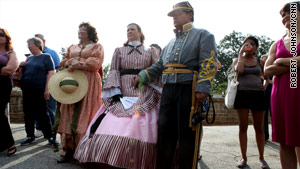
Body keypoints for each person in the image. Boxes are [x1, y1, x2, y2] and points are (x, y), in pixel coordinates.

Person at [134, 2, 217, 168]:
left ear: (190, 15)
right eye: (173, 16)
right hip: (168, 92)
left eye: (178, 14)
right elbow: (159, 67)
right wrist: (143, 76)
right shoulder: (169, 43)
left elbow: (208, 63)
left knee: (187, 136)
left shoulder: (203, 35)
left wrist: (202, 88)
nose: (174, 19)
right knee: (164, 134)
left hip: (188, 90)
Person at [74, 23, 161, 169]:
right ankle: (103, 156)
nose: (129, 31)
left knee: (143, 121)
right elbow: (114, 71)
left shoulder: (151, 51)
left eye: (132, 29)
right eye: (127, 30)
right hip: (122, 90)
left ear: (140, 32)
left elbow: (155, 70)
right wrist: (115, 92)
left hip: (143, 91)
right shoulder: (119, 50)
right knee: (112, 120)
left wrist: (153, 88)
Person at [57, 22, 103, 163]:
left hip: (89, 82)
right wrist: (71, 62)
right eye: (79, 30)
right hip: (73, 81)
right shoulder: (73, 47)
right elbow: (63, 61)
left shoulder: (97, 47)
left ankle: (84, 151)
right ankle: (69, 150)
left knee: (86, 113)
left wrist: (81, 63)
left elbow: (96, 63)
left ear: (89, 32)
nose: (80, 32)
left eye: (83, 30)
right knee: (69, 113)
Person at [264, 2, 300, 169]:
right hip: (280, 95)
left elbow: (275, 66)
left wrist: (283, 60)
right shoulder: (276, 44)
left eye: (289, 12)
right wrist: (295, 63)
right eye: (282, 14)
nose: (285, 16)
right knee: (285, 142)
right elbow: (267, 70)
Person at [232, 36, 269, 168]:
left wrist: (265, 84)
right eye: (246, 44)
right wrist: (240, 53)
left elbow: (266, 77)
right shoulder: (237, 60)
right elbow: (240, 70)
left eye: (252, 44)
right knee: (243, 127)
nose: (249, 46)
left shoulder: (260, 61)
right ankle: (244, 158)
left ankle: (261, 158)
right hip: (242, 94)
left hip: (258, 95)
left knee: (259, 128)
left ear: (256, 48)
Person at [20, 37, 55, 145]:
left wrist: (47, 89)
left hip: (39, 89)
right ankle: (30, 135)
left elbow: (51, 73)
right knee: (28, 114)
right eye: (28, 45)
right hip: (27, 89)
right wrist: (20, 66)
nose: (29, 47)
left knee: (43, 114)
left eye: (30, 44)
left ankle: (50, 136)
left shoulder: (46, 57)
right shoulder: (29, 58)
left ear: (38, 45)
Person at [34, 33, 61, 138]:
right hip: (37, 86)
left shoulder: (52, 53)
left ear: (44, 42)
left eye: (38, 40)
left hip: (50, 85)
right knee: (38, 109)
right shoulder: (33, 54)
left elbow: (58, 69)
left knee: (50, 108)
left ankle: (53, 130)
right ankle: (39, 128)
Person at [0, 28, 18, 156]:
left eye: (1, 35)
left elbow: (9, 70)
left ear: (7, 38)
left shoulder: (10, 53)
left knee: (0, 114)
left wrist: (3, 70)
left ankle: (10, 143)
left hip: (3, 85)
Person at [260, 54, 272, 143]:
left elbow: (274, 81)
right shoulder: (260, 71)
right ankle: (264, 136)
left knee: (273, 116)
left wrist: (267, 80)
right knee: (263, 117)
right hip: (263, 96)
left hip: (272, 95)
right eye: (263, 59)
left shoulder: (272, 70)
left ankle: (276, 135)